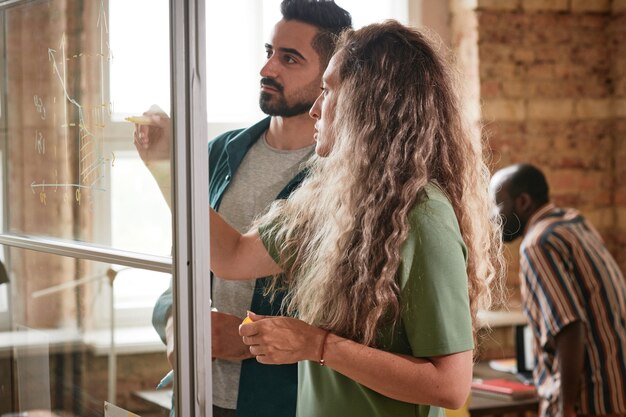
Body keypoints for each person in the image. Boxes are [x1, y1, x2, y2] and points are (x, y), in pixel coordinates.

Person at [209, 21, 504, 417]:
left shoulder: (424, 214)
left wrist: (317, 345)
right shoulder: (328, 203)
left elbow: (449, 385)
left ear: (369, 105)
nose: (315, 107)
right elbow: (232, 257)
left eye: (328, 91)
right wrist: (169, 167)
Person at [134, 1, 352, 416]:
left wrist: (248, 339)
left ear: (328, 78)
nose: (268, 68)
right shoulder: (220, 153)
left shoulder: (341, 175)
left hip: (284, 401)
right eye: (269, 52)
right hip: (200, 396)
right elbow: (181, 268)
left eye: (289, 58)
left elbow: (353, 316)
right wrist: (177, 324)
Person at [490, 163, 626, 417]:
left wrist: (565, 407)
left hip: (590, 402)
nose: (492, 216)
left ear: (523, 202)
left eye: (497, 205)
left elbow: (569, 326)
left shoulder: (537, 244)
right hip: (616, 391)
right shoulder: (575, 222)